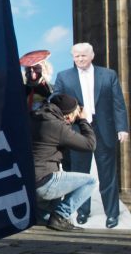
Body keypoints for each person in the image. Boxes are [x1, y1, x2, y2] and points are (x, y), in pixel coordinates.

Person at [53, 42, 129, 228]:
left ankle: (111, 214)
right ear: (72, 57)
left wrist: (122, 128)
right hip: (78, 131)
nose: (79, 59)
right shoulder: (64, 76)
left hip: (104, 130)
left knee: (108, 175)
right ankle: (82, 212)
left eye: (83, 55)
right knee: (80, 174)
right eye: (76, 56)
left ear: (92, 55)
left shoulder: (108, 75)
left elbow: (118, 102)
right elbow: (55, 100)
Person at [30, 93, 97, 231]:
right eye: (74, 113)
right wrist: (83, 121)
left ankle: (44, 218)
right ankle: (60, 216)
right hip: (44, 181)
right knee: (90, 181)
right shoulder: (57, 126)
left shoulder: (35, 117)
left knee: (45, 219)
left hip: (29, 184)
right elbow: (90, 145)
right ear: (67, 115)